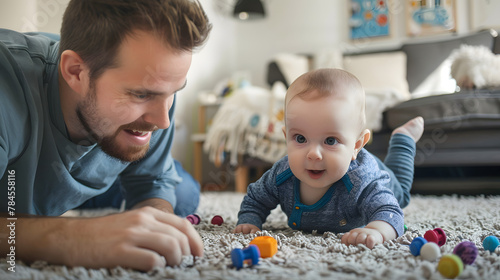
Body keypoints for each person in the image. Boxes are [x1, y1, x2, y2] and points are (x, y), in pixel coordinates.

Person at [0, 0, 211, 271]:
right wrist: (74, 237)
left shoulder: (157, 92)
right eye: (141, 94)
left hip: (93, 166)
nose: (163, 121)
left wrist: (155, 222)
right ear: (75, 72)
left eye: (173, 92)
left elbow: (153, 184)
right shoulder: (7, 90)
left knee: (182, 194)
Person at [234, 68, 424, 249]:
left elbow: (390, 212)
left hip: (377, 173)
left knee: (402, 196)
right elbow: (255, 199)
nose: (313, 154)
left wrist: (376, 231)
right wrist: (249, 220)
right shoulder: (282, 174)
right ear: (286, 137)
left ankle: (403, 139)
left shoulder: (363, 181)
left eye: (330, 140)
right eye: (300, 139)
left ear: (356, 145)